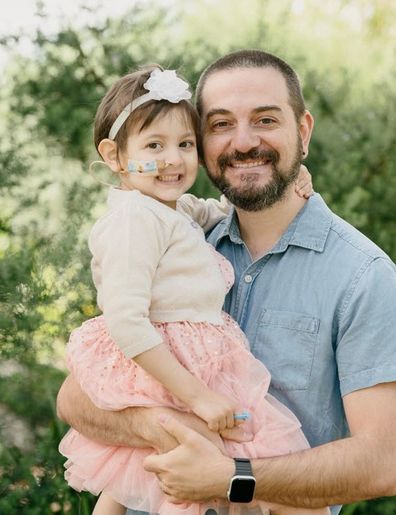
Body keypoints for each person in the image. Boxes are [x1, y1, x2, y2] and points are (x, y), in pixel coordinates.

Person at [56, 49, 396, 515]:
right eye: (219, 125)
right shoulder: (181, 240)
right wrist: (167, 425)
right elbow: (76, 399)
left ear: (303, 132)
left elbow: (384, 462)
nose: (242, 142)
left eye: (265, 120)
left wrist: (231, 477)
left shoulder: (363, 277)